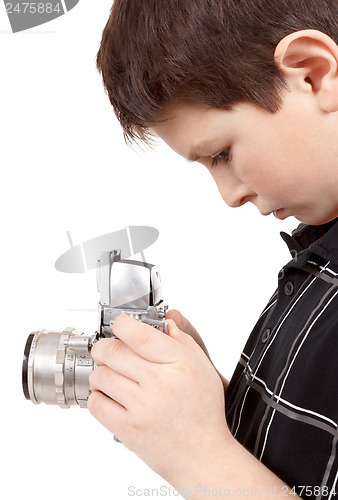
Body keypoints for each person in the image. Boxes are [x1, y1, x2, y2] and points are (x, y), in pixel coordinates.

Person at [87, 1, 338, 497]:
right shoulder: (319, 261)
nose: (228, 196)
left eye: (221, 153)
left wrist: (198, 455)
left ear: (313, 73)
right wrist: (210, 409)